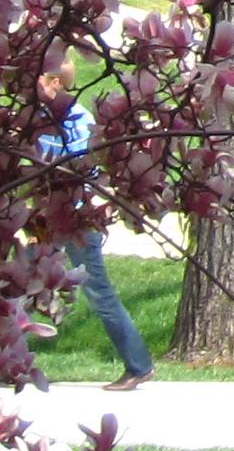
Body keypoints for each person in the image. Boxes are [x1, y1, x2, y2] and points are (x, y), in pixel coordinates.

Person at [36, 60, 154, 393]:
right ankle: (0, 361)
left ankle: (139, 366)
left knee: (99, 293)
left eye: (37, 80)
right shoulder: (38, 120)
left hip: (77, 220)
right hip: (47, 217)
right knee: (18, 282)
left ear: (54, 83)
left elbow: (80, 169)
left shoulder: (79, 121)